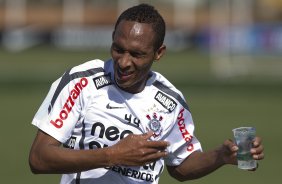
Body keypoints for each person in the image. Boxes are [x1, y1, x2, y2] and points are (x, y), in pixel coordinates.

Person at [29, 3, 264, 184]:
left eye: (136, 54)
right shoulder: (81, 82)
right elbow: (39, 158)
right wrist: (113, 155)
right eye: (118, 49)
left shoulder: (171, 102)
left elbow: (181, 166)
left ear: (158, 53)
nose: (123, 62)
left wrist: (220, 156)